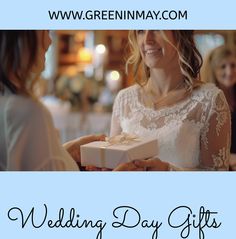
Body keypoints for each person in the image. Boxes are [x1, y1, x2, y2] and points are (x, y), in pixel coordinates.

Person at [110, 30, 231, 171]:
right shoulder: (124, 100)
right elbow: (113, 165)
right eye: (141, 31)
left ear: (180, 36)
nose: (147, 40)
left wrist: (168, 171)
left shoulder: (209, 101)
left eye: (157, 29)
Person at [0, 30, 104, 171]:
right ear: (23, 36)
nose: (49, 42)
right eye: (45, 31)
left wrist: (62, 153)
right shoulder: (29, 112)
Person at [201, 45, 236, 169]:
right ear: (213, 70)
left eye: (233, 65)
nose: (230, 72)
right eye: (223, 67)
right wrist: (229, 157)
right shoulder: (207, 101)